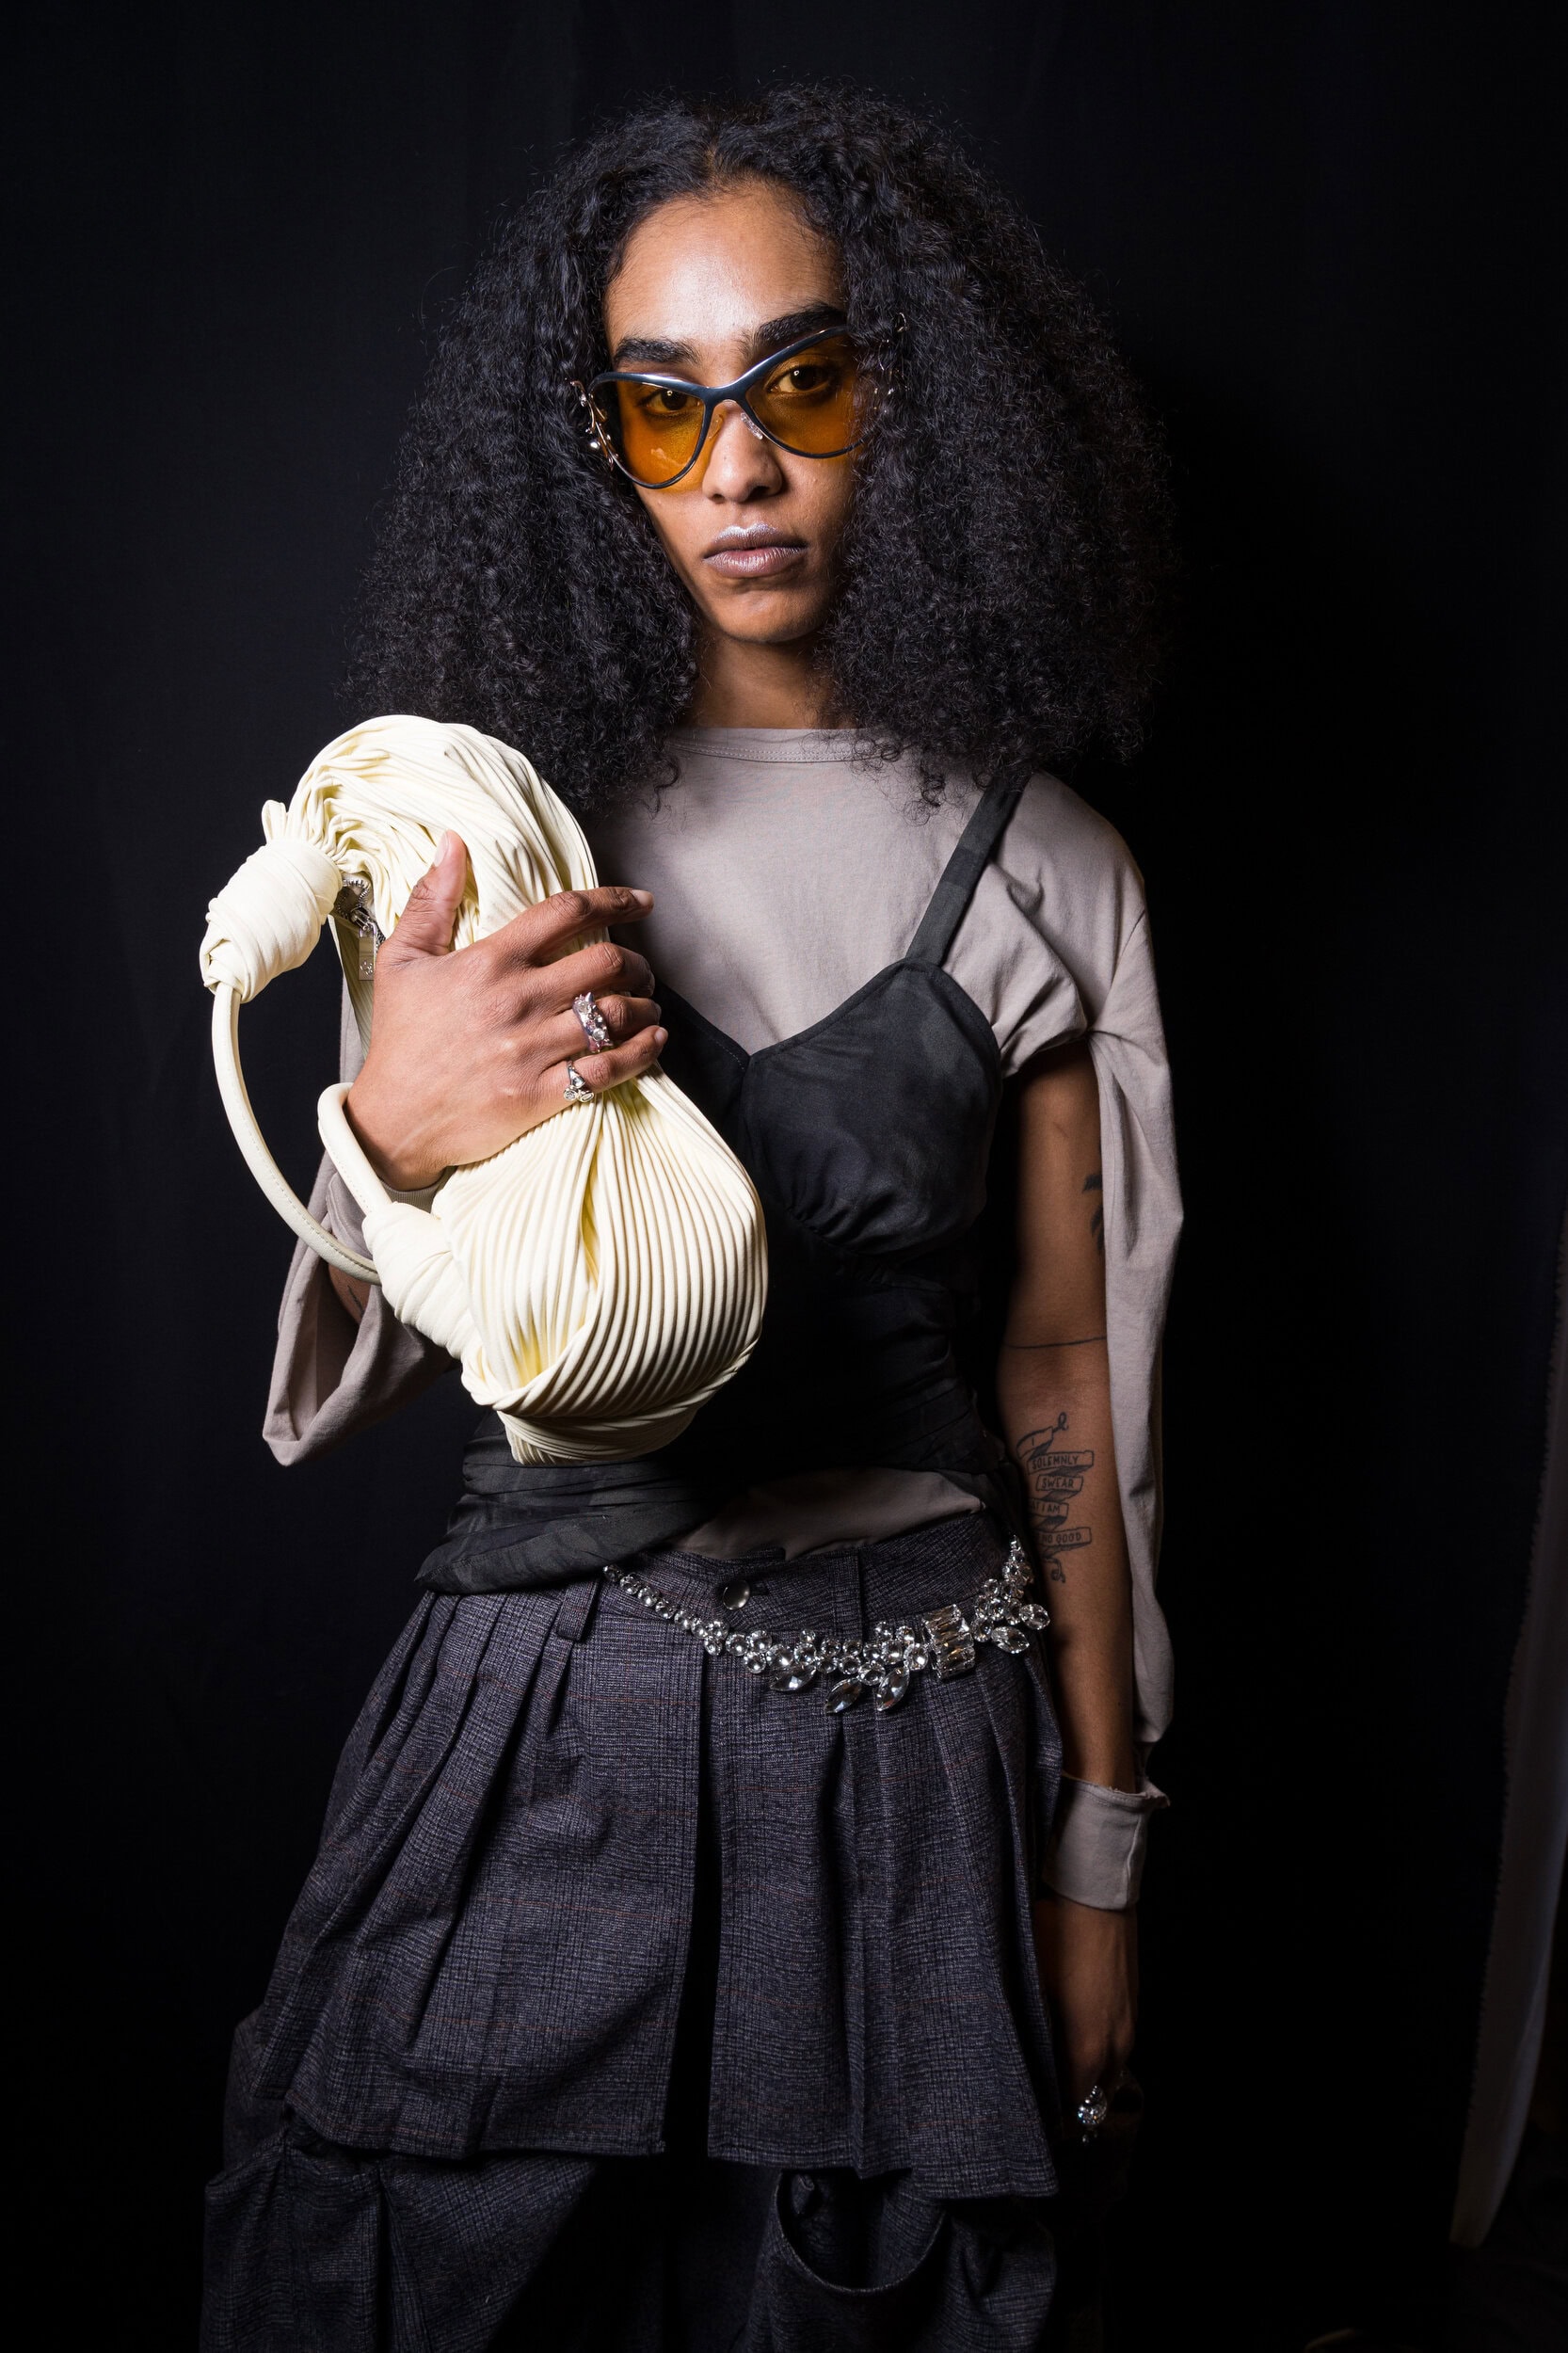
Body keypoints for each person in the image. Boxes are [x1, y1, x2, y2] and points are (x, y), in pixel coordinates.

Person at [202, 84, 1181, 2351]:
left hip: (915, 1746)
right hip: (547, 1722)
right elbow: (391, 1346)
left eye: (801, 385)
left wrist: (1101, 1846)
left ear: (905, 401)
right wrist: (388, 1125)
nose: (738, 467)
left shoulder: (1048, 867)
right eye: (666, 407)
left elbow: (1071, 1377)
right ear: (598, 448)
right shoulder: (485, 833)